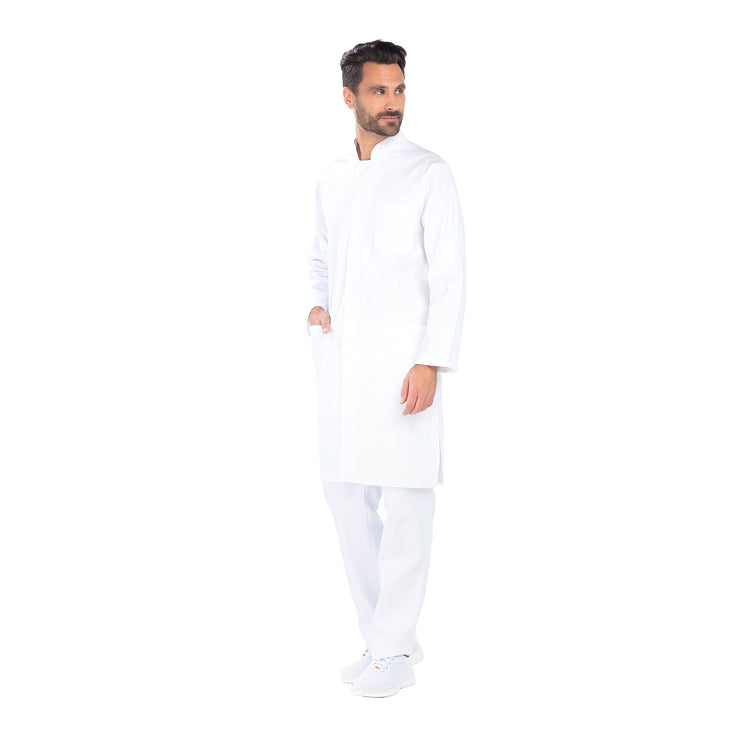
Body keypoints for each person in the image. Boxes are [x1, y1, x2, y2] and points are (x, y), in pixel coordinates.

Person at [306, 40, 466, 698]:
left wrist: (431, 360)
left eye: (398, 90)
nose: (392, 102)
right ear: (349, 97)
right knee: (346, 496)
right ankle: (383, 637)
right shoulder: (332, 178)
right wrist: (316, 304)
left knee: (406, 503)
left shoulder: (428, 172)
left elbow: (451, 275)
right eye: (378, 91)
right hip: (343, 367)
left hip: (405, 367)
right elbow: (319, 256)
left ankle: (394, 648)